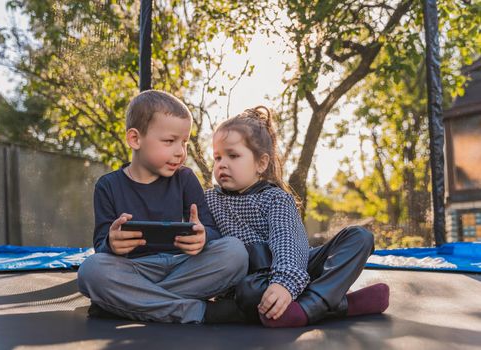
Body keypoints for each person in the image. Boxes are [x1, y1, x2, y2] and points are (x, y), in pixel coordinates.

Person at [205, 106, 390, 327]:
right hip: (254, 280)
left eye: (233, 155)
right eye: (217, 158)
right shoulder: (209, 200)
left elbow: (288, 241)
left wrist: (284, 283)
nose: (222, 164)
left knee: (360, 237)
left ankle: (306, 307)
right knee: (248, 292)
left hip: (295, 268)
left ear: (261, 164)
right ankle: (341, 305)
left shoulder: (275, 198)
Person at [77, 90, 248, 324]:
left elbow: (211, 231)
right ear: (135, 139)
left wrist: (203, 237)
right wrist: (112, 242)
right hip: (135, 268)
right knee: (91, 271)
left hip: (183, 266)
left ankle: (125, 303)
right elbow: (101, 248)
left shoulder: (186, 178)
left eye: (184, 142)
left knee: (235, 252)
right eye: (170, 141)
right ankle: (194, 311)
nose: (180, 151)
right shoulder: (107, 186)